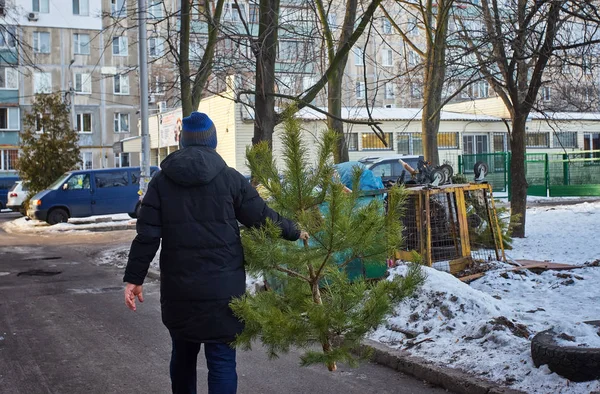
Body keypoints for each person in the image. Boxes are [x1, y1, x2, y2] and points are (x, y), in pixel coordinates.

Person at [123, 112, 308, 394]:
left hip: (180, 290)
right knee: (221, 360)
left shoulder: (161, 183)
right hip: (224, 289)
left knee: (182, 357)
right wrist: (295, 231)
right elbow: (262, 217)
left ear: (182, 141)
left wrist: (134, 278)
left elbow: (147, 235)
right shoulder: (230, 179)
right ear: (212, 141)